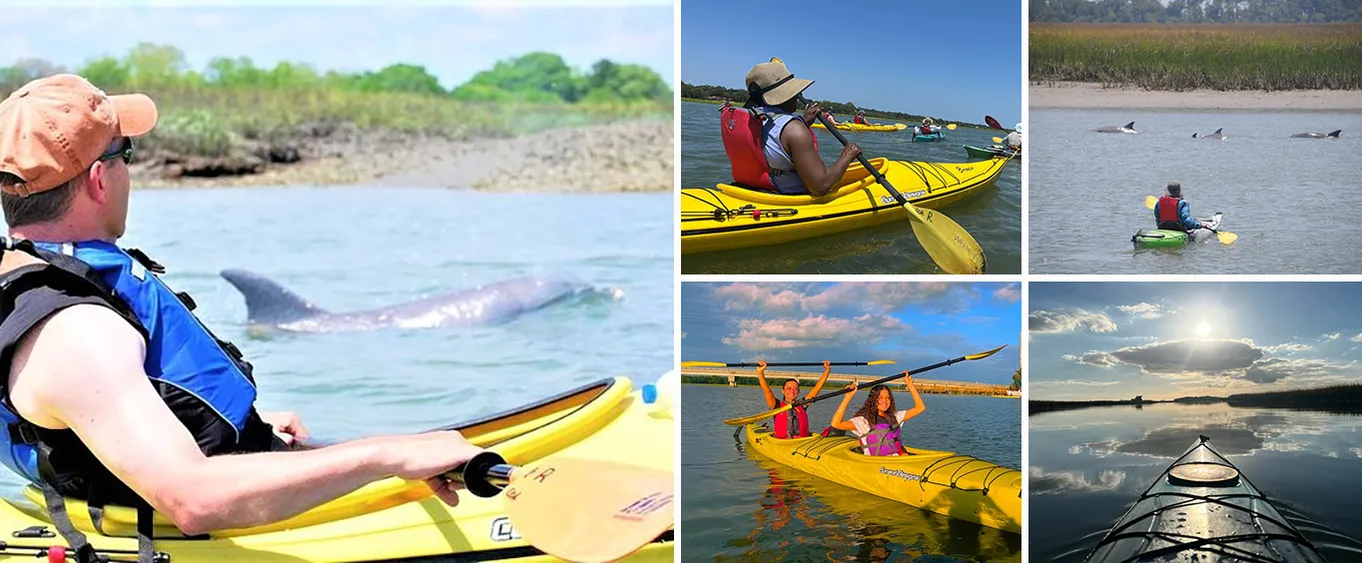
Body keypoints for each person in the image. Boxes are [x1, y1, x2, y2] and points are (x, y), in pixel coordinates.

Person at [0, 74, 482, 555]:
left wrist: (225, 424)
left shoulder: (36, 274)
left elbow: (91, 414)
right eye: (126, 154)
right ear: (100, 180)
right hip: (187, 520)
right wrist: (388, 453)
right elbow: (194, 498)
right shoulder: (74, 332)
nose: (130, 171)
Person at [717, 58, 861, 196]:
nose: (799, 95)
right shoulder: (794, 130)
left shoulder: (751, 117)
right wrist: (847, 156)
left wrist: (804, 123)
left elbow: (771, 138)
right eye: (794, 91)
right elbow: (820, 186)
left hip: (751, 188)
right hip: (786, 195)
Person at [829, 374, 926, 457]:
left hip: (897, 460)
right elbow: (836, 424)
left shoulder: (894, 417)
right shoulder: (863, 422)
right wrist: (847, 397)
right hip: (877, 464)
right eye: (880, 397)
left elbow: (920, 407)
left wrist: (910, 384)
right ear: (873, 399)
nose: (885, 401)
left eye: (888, 398)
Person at [756, 360, 832, 439]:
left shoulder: (802, 404)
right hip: (783, 443)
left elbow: (817, 388)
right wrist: (760, 373)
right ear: (783, 391)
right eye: (789, 388)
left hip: (801, 442)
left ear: (798, 391)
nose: (792, 391)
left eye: (795, 389)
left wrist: (827, 371)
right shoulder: (776, 405)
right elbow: (766, 390)